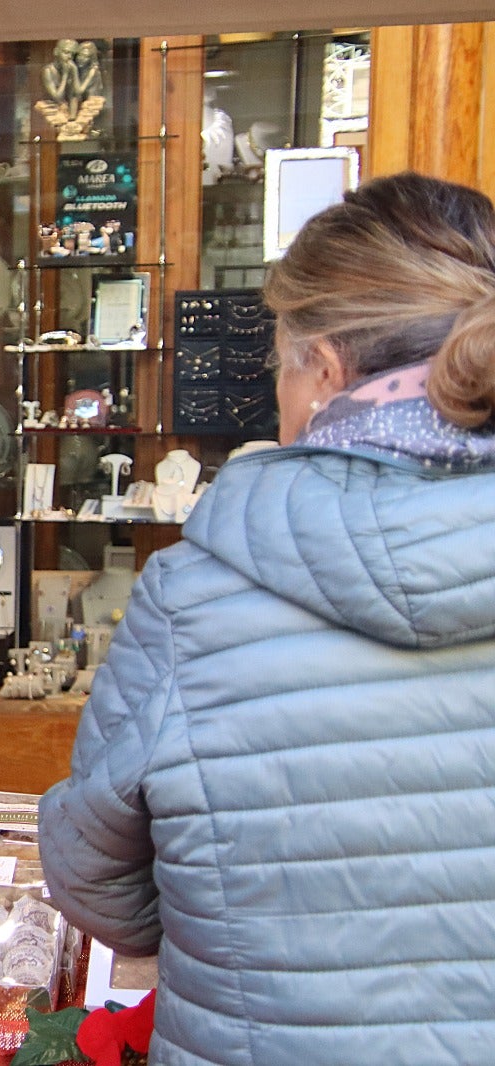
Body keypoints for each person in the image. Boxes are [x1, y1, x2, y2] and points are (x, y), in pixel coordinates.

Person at [38, 173, 495, 1065]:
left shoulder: (197, 595)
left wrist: (231, 913)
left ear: (322, 369)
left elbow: (96, 878)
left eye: (280, 366)